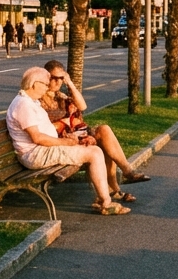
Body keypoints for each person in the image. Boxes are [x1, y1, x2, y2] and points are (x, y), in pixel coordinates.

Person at [7, 66, 129, 215]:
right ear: (35, 84)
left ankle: (103, 198)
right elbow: (37, 138)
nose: (47, 88)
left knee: (93, 148)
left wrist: (67, 139)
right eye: (45, 84)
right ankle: (106, 202)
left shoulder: (30, 102)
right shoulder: (23, 105)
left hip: (41, 150)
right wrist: (65, 143)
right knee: (94, 153)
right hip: (35, 154)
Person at [42, 60, 150, 189]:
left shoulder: (61, 96)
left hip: (75, 133)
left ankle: (126, 172)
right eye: (54, 78)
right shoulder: (40, 99)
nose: (58, 82)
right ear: (46, 77)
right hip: (62, 140)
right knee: (103, 146)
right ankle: (115, 189)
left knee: (104, 130)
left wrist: (70, 83)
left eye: (61, 78)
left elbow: (82, 106)